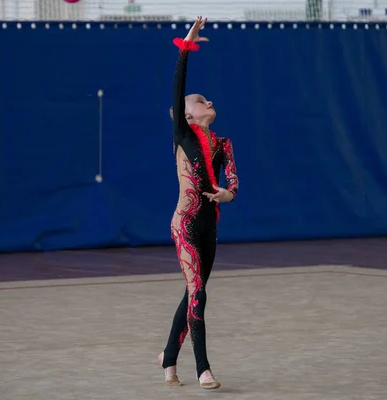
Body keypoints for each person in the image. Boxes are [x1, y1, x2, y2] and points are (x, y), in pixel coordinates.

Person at [157, 16, 239, 390]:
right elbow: (178, 87)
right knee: (199, 292)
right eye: (204, 101)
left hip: (210, 225)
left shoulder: (223, 145)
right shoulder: (182, 136)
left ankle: (168, 359)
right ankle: (202, 368)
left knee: (194, 291)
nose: (211, 102)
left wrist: (228, 193)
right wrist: (185, 49)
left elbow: (234, 182)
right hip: (185, 223)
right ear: (190, 114)